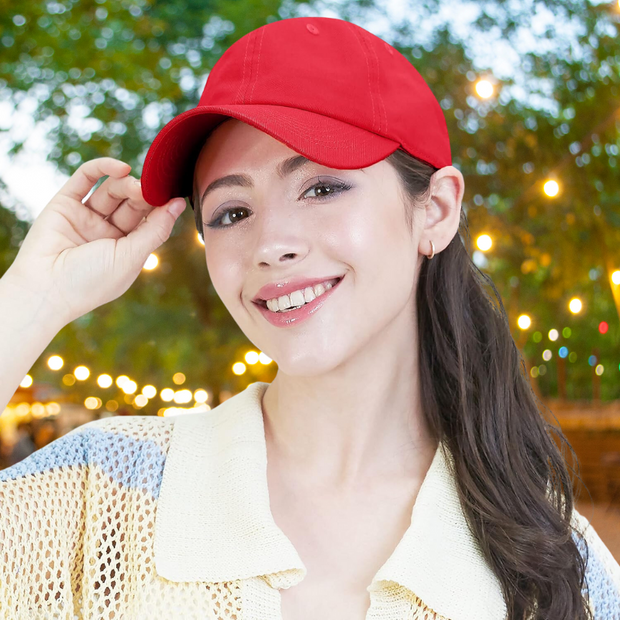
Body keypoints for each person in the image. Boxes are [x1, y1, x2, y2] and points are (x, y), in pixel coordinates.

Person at [0, 15, 618, 620]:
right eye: (232, 213)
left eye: (321, 188)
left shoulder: (563, 564)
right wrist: (32, 300)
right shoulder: (102, 490)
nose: (271, 243)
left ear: (434, 209)